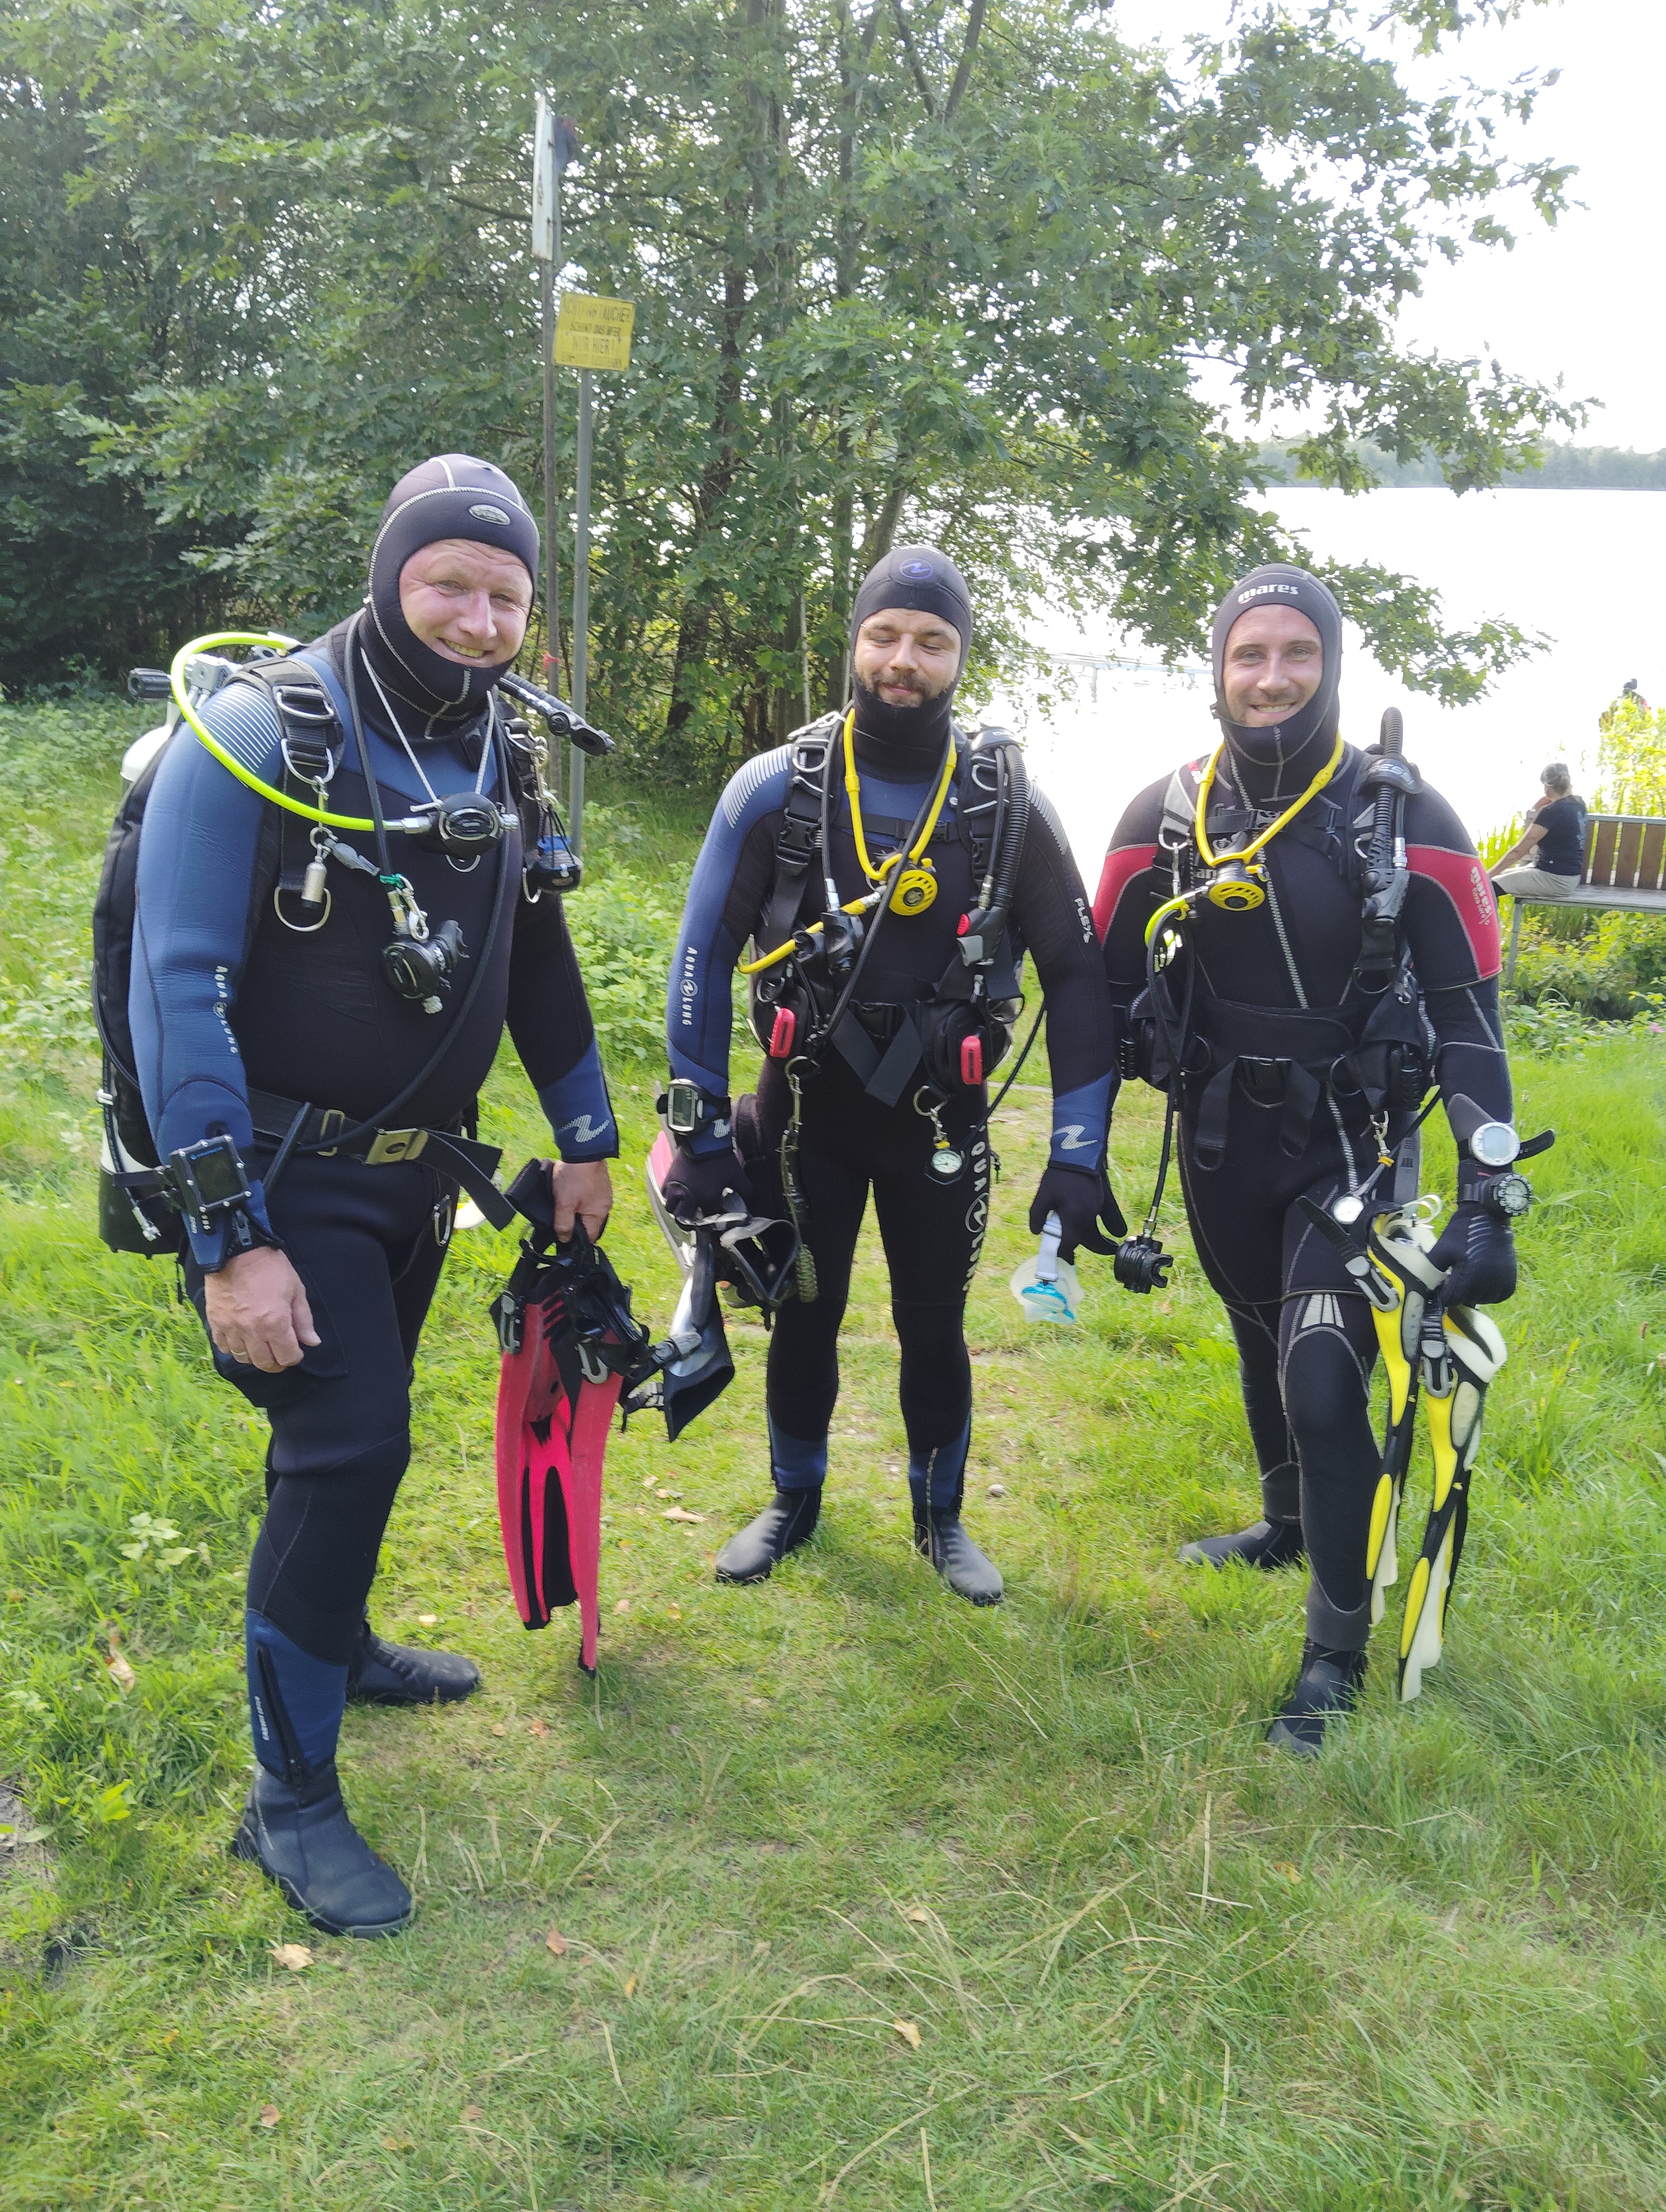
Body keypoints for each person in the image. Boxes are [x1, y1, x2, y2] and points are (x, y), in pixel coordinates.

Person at [130, 455, 617, 1934]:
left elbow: (532, 955)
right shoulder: (256, 733)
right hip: (283, 1177)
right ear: (390, 574)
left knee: (355, 1446)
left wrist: (585, 1127)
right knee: (347, 1448)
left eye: (504, 598)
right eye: (448, 584)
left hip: (419, 1177)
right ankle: (290, 1806)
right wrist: (230, 1241)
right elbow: (176, 985)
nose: (476, 619)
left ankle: (332, 1643)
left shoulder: (500, 751)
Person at [1095, 563, 1519, 1753]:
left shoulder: (1405, 819)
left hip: (1355, 1139)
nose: (1271, 677)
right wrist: (1077, 1151)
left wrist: (1490, 1199)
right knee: (1256, 1327)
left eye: (1298, 655)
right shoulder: (1165, 815)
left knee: (1325, 1375)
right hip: (1222, 1133)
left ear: (1332, 666)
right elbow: (1094, 985)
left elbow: (1470, 1014)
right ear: (1218, 668)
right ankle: (1286, 1524)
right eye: (1249, 655)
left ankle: (1334, 1647)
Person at [660, 545, 1119, 1603]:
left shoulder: (1008, 808)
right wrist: (695, 1137)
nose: (903, 659)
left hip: (937, 1128)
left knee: (931, 1324)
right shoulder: (777, 791)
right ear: (854, 643)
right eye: (884, 635)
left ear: (961, 656)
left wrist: (1078, 1158)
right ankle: (793, 1501)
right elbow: (700, 957)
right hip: (800, 1121)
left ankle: (940, 1519)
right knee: (803, 1315)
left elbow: (1079, 981)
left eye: (931, 640)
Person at [1490, 763, 1588, 901]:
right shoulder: (1579, 803)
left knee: (1488, 886)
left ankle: (1484, 922)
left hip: (1554, 880)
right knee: (1501, 877)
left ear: (1547, 787)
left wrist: (1487, 875)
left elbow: (1518, 852)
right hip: (1567, 877)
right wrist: (1546, 801)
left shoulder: (1551, 812)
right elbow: (1560, 800)